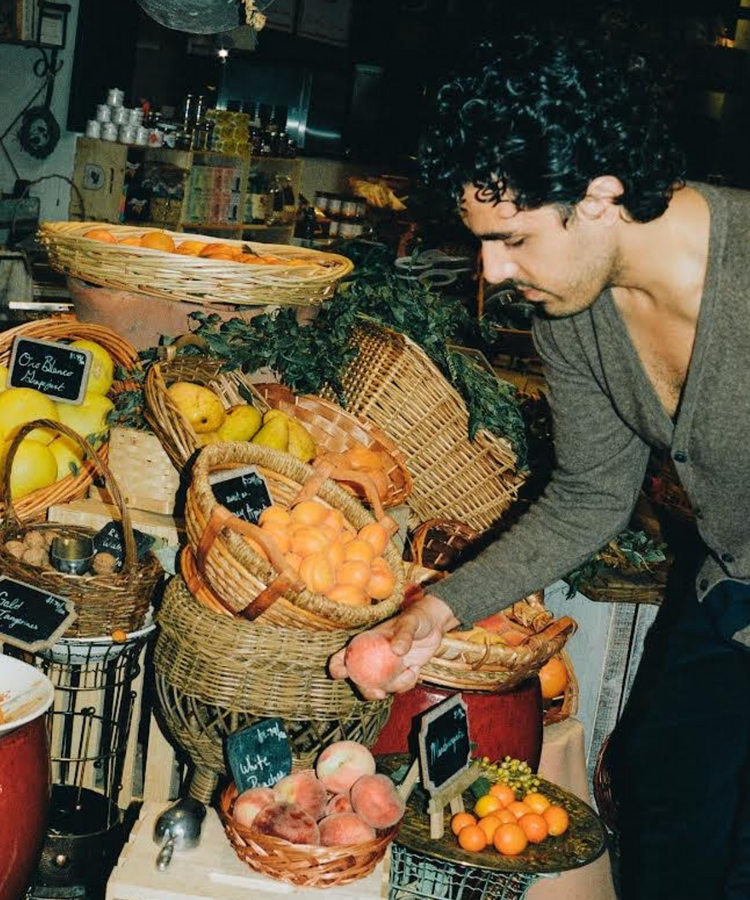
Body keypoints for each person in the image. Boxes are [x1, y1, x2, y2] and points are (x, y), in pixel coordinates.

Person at [330, 28, 750, 900]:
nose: (493, 267)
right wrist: (435, 612)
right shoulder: (576, 318)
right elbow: (593, 495)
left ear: (599, 196)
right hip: (731, 589)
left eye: (513, 237)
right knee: (661, 794)